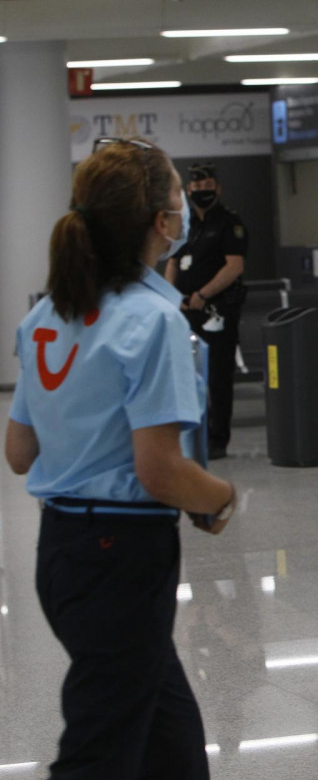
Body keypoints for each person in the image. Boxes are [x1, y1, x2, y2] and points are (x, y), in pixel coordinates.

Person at [4, 138, 238, 779]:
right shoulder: (151, 321)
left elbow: (19, 451)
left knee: (171, 744)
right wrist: (219, 497)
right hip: (122, 557)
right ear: (162, 225)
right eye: (176, 197)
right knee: (99, 753)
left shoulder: (48, 316)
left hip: (61, 552)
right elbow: (159, 470)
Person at [165, 162, 248, 460]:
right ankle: (192, 434)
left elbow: (234, 266)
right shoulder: (186, 227)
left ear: (218, 188)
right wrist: (172, 297)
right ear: (188, 190)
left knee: (218, 378)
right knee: (186, 377)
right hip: (186, 312)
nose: (201, 192)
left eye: (207, 186)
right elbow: (172, 263)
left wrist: (202, 294)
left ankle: (217, 440)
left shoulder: (228, 223)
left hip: (218, 311)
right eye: (196, 188)